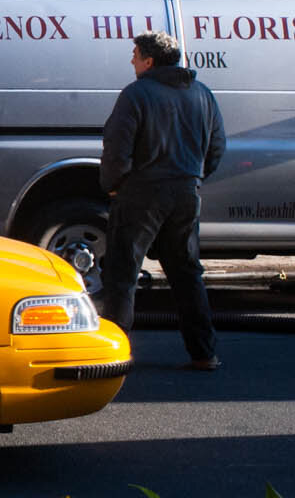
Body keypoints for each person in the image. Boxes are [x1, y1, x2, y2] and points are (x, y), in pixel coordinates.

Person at [97, 30, 227, 370]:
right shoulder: (203, 94)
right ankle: (203, 352)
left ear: (149, 61)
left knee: (122, 274)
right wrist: (194, 178)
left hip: (142, 193)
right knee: (186, 273)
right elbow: (216, 148)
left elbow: (116, 148)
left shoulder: (136, 94)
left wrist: (113, 186)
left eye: (136, 54)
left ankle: (114, 355)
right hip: (186, 192)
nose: (132, 60)